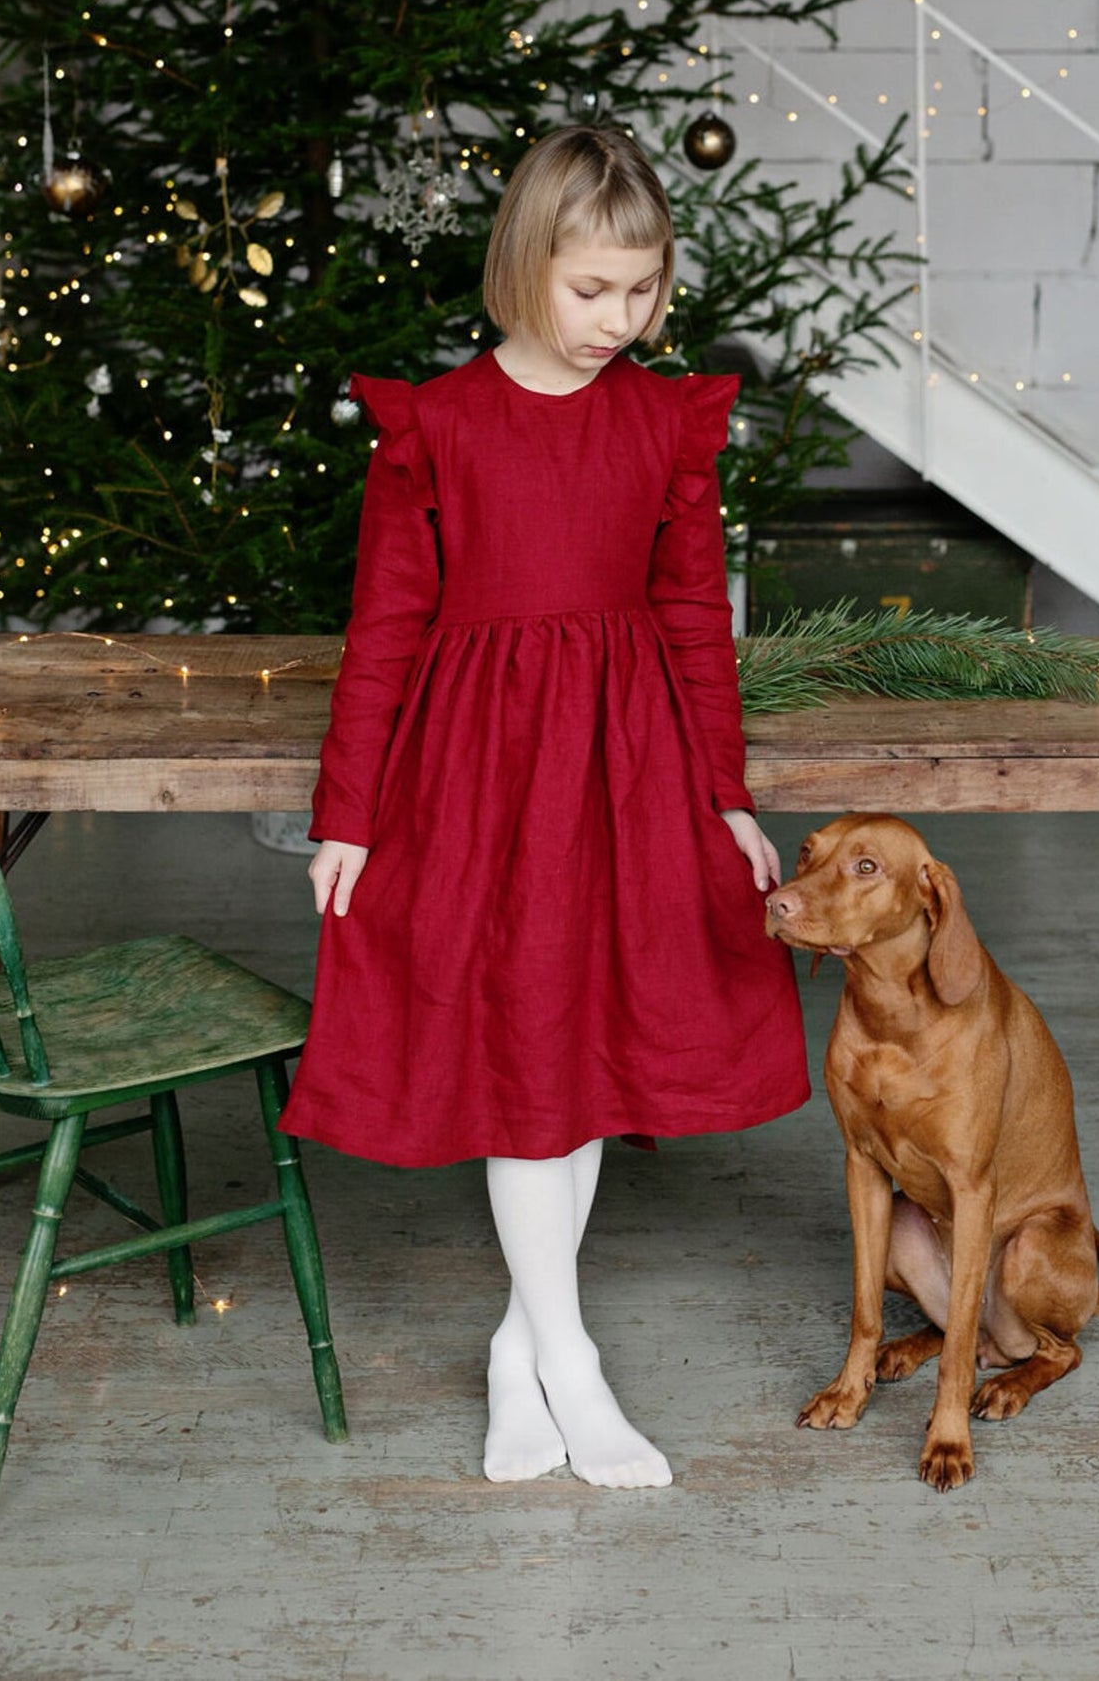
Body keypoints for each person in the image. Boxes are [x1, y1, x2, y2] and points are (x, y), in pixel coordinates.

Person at [282, 124, 810, 1490]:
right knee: (525, 1051)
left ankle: (524, 1349)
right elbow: (384, 629)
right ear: (525, 267)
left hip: (622, 763)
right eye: (592, 291)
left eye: (643, 291)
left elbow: (695, 614)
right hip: (479, 773)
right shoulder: (440, 427)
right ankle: (573, 1360)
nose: (619, 320)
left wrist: (724, 795)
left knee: (575, 1047)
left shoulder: (664, 420)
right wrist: (348, 813)